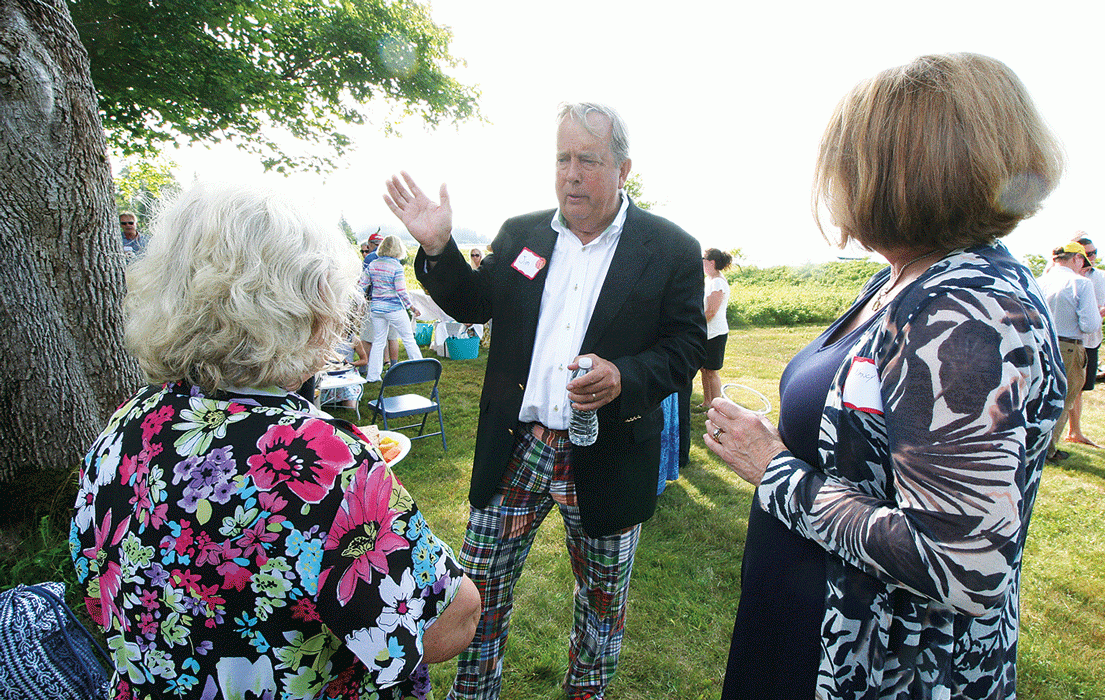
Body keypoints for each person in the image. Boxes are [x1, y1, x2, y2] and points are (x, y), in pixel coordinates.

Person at [704, 53, 1065, 700]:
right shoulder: (902, 279)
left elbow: (958, 560)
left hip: (886, 669)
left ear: (900, 170)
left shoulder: (966, 309)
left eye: (846, 160)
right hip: (806, 625)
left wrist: (775, 470)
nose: (835, 181)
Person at [70, 182, 480, 700]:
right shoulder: (320, 457)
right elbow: (448, 623)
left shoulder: (127, 424)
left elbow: (95, 584)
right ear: (309, 308)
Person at [383, 102, 705, 700]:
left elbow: (686, 345)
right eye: (563, 159)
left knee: (602, 606)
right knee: (480, 588)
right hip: (518, 446)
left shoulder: (669, 248)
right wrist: (438, 248)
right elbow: (475, 304)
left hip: (606, 450)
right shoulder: (522, 234)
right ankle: (474, 692)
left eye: (588, 160)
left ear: (623, 168)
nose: (572, 174)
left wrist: (624, 376)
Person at [1037, 241, 1102, 463]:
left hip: (1040, 343)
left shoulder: (1038, 282)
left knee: (1038, 395)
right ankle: (1048, 450)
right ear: (1077, 258)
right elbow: (1090, 324)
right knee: (1063, 398)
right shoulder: (1081, 284)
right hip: (1068, 346)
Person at [1065, 233, 1105, 446]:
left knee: (1081, 387)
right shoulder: (1062, 276)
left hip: (1092, 340)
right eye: (1087, 254)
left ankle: (1075, 431)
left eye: (1094, 253)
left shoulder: (1102, 277)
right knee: (1068, 387)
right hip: (1069, 340)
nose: (1092, 257)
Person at [360, 235, 422, 382]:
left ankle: (373, 376)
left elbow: (361, 285)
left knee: (378, 342)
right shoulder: (396, 266)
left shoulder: (373, 264)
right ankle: (420, 371)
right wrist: (412, 307)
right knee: (408, 338)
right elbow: (401, 291)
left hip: (376, 309)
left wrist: (358, 303)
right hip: (394, 309)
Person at [697, 248, 732, 409]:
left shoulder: (718, 282)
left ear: (711, 262)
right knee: (704, 369)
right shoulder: (709, 280)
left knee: (712, 371)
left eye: (703, 260)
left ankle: (716, 406)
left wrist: (695, 325)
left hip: (716, 333)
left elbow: (711, 311)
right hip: (707, 332)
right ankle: (707, 402)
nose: (701, 263)